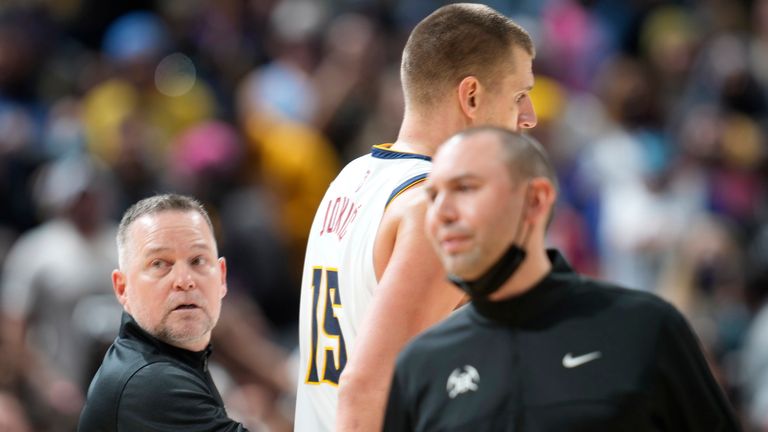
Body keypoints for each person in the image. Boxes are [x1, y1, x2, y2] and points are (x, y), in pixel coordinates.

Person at [383, 127, 741, 431]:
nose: (440, 212)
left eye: (465, 188)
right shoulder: (421, 365)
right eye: (433, 195)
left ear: (536, 200)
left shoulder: (645, 328)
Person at [295, 3, 538, 431]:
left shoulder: (351, 176)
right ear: (472, 96)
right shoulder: (438, 205)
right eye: (520, 95)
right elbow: (366, 386)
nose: (529, 118)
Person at [77, 194, 248, 431]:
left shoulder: (173, 361)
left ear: (221, 277)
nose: (184, 280)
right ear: (122, 288)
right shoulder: (149, 381)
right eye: (159, 264)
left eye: (198, 260)